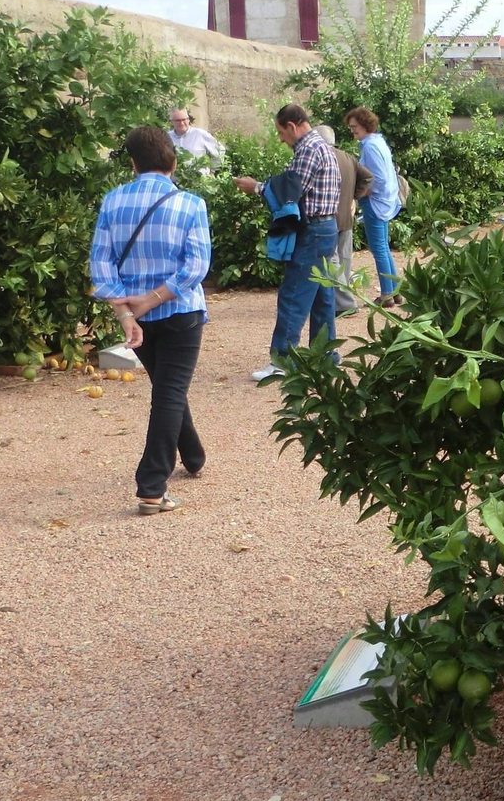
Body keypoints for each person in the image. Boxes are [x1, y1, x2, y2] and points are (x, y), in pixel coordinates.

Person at [89, 125, 212, 515]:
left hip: (136, 316)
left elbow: (101, 265)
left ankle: (192, 455)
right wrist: (155, 298)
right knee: (170, 391)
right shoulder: (191, 204)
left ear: (133, 163)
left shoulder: (112, 202)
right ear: (173, 162)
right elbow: (197, 266)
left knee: (167, 388)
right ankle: (151, 486)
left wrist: (127, 312)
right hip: (180, 310)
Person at [234, 104, 341, 382]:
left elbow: (290, 190)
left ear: (292, 126)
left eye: (282, 132)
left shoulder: (308, 149)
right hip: (327, 228)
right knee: (321, 298)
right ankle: (326, 357)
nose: (282, 139)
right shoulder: (323, 147)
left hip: (313, 231)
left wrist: (256, 186)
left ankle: (282, 361)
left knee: (293, 296)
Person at [342, 107, 402, 306]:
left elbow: (378, 180)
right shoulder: (378, 141)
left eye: (355, 126)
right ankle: (396, 291)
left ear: (365, 124)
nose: (352, 130)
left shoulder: (369, 146)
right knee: (383, 247)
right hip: (385, 201)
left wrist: (358, 194)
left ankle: (386, 295)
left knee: (378, 249)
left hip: (375, 203)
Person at [313, 123, 373, 317]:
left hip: (329, 217)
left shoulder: (322, 157)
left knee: (333, 260)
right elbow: (367, 177)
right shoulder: (348, 157)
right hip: (347, 215)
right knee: (344, 259)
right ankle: (341, 300)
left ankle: (344, 303)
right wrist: (354, 197)